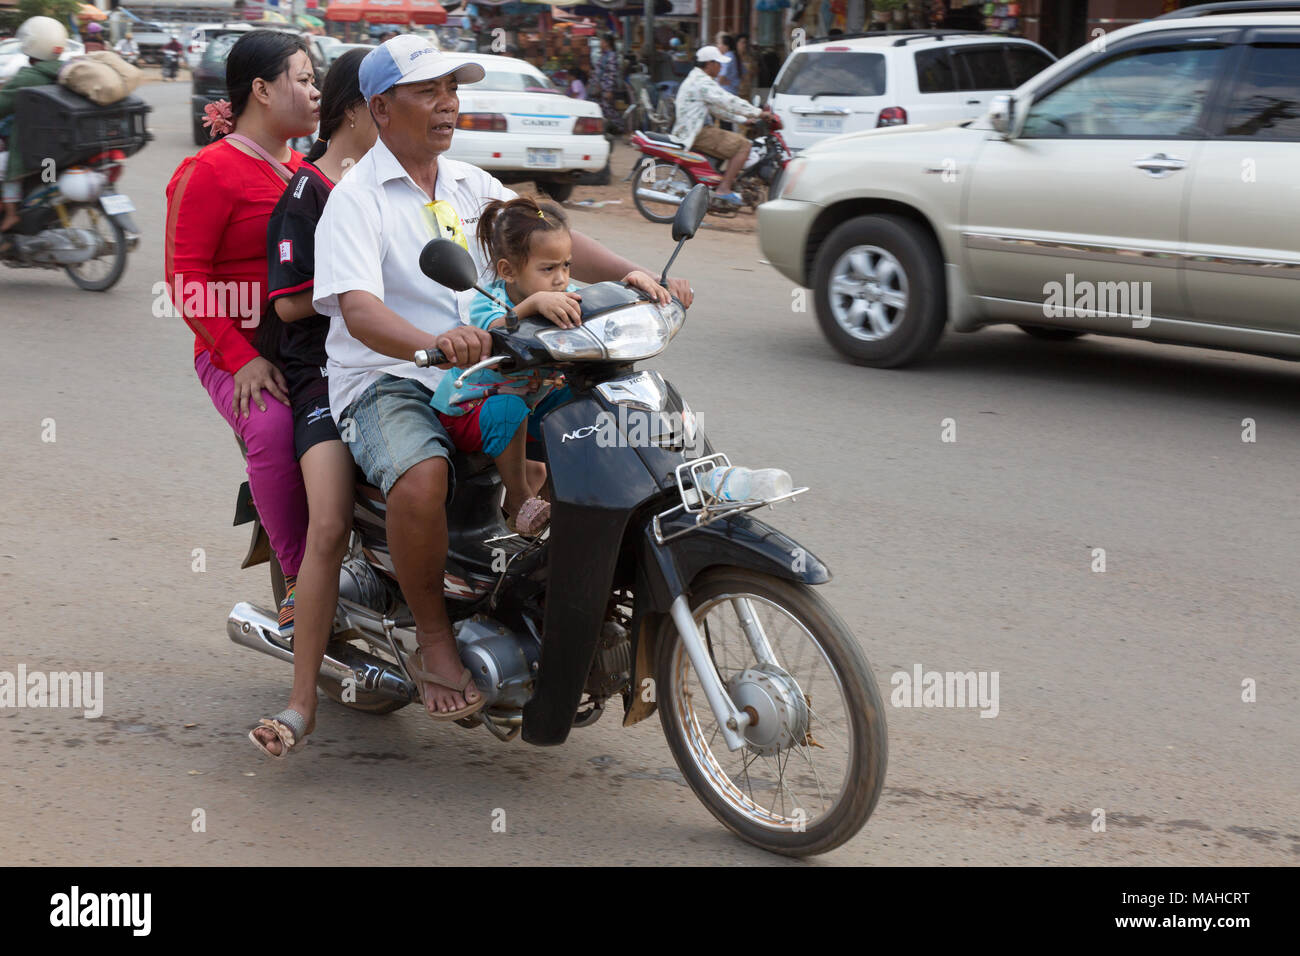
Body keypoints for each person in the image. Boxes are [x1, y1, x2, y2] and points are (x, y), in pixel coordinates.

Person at [311, 35, 693, 721]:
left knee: (602, 431)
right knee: (421, 474)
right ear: (381, 107)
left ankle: (558, 593)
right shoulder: (356, 200)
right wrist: (434, 341)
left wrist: (632, 275)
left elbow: (547, 236)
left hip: (489, 365)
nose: (447, 104)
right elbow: (361, 313)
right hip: (389, 377)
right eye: (428, 92)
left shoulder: (467, 184)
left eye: (451, 90)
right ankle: (435, 640)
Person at [164, 31, 319, 660]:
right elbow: (185, 279)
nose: (315, 92)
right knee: (276, 432)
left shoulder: (307, 172)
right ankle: (303, 590)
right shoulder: (207, 172)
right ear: (261, 89)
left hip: (309, 349)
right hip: (240, 355)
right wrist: (241, 357)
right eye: (304, 78)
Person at [248, 49, 376, 758]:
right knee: (328, 523)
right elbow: (291, 304)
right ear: (363, 107)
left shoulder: (394, 184)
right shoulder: (309, 192)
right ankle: (301, 703)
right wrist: (355, 291)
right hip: (319, 375)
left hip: (394, 361)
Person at [672, 45, 771, 205]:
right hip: (697, 132)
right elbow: (727, 100)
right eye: (719, 63)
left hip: (694, 129)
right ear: (710, 64)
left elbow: (716, 109)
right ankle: (724, 189)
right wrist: (758, 112)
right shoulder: (702, 82)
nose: (721, 67)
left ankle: (722, 182)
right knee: (743, 145)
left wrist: (742, 120)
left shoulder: (696, 78)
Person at [0, 16, 67, 241]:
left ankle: (10, 214)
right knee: (47, 179)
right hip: (60, 149)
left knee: (4, 167)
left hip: (35, 151)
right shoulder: (67, 71)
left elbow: (3, 104)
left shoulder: (29, 76)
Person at [593, 32, 621, 128]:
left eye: (601, 41)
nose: (600, 43)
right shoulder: (604, 55)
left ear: (607, 43)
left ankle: (620, 127)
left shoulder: (611, 56)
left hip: (607, 87)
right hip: (601, 87)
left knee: (608, 109)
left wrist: (609, 90)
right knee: (603, 109)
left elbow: (612, 73)